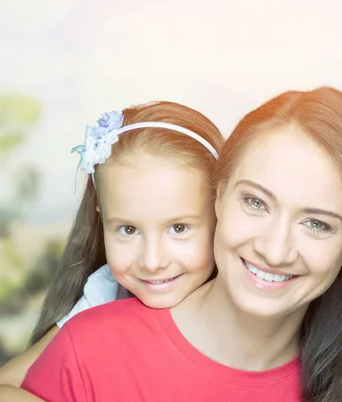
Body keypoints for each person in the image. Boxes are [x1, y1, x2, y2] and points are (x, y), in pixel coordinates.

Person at [21, 87, 342, 401]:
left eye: (316, 223)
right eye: (256, 202)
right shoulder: (88, 351)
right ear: (218, 197)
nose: (275, 250)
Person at [0, 101, 224, 398]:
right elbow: (8, 384)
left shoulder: (247, 299)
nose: (152, 261)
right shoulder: (106, 291)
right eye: (128, 230)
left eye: (178, 228)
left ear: (221, 214)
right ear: (100, 215)